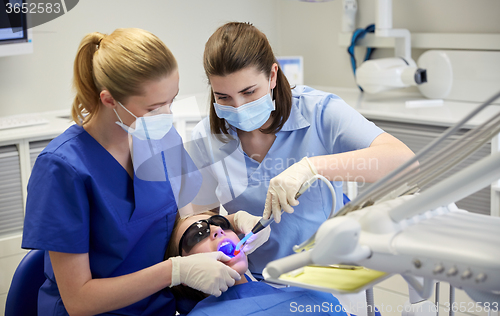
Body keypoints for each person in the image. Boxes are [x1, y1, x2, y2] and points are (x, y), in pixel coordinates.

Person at [21, 28, 243, 316]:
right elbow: (79, 300)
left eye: (171, 100)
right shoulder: (62, 168)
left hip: (160, 307)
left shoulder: (162, 139)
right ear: (109, 99)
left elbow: (175, 223)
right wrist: (174, 271)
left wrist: (229, 222)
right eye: (153, 107)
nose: (167, 115)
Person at [188, 22, 416, 278]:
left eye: (249, 92)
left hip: (327, 273)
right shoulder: (206, 137)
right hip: (255, 278)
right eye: (223, 97)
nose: (238, 107)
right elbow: (203, 219)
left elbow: (404, 162)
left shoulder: (319, 112)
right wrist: (230, 225)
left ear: (272, 75)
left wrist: (311, 168)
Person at [165, 211, 350, 316]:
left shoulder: (308, 293)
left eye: (221, 223)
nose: (217, 229)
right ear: (184, 272)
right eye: (197, 234)